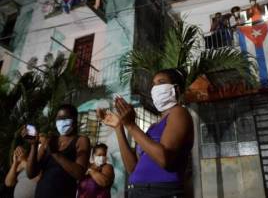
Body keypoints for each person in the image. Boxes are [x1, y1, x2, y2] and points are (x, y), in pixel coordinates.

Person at [97, 68, 194, 198]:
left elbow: (164, 158)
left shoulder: (179, 113)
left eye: (161, 82)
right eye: (153, 84)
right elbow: (132, 169)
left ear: (176, 89)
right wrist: (119, 127)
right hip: (137, 191)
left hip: (161, 192)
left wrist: (131, 125)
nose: (155, 88)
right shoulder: (153, 126)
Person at [24, 104, 91, 198]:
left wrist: (55, 154)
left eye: (65, 118)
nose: (62, 121)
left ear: (75, 121)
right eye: (59, 119)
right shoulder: (49, 140)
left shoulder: (81, 140)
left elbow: (79, 174)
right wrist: (34, 145)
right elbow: (31, 173)